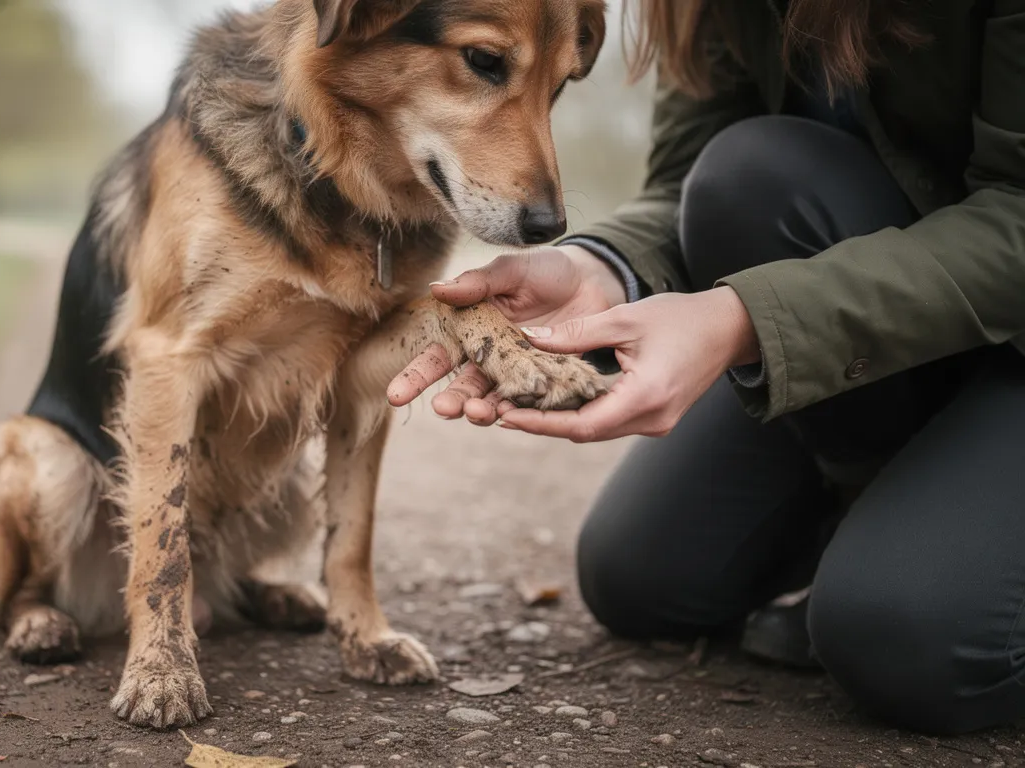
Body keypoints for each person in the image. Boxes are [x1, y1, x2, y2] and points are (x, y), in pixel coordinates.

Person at [389, 0, 1025, 736]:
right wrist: (599, 266)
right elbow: (689, 179)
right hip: (906, 331)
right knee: (641, 578)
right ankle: (880, 505)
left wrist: (742, 320)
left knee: (915, 645)